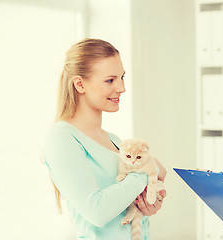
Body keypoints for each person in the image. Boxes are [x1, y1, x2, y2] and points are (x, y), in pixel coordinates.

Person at [43, 38, 167, 240]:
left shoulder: (115, 140)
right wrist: (147, 170)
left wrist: (148, 203)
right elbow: (97, 211)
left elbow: (123, 205)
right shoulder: (62, 137)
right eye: (110, 80)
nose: (121, 87)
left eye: (122, 77)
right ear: (80, 84)